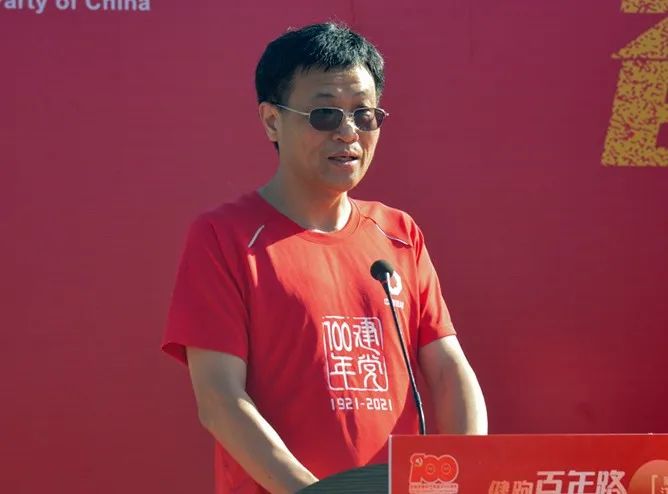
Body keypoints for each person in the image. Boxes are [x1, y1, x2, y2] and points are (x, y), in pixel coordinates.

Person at [162, 22, 487, 494]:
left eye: (365, 114)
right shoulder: (225, 236)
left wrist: (468, 473)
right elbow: (219, 399)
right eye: (325, 115)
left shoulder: (398, 234)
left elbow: (448, 368)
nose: (349, 132)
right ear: (272, 120)